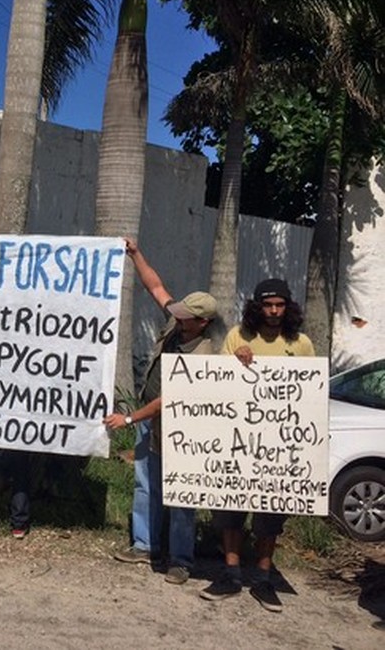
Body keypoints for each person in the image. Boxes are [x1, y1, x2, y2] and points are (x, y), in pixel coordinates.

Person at [104, 239, 217, 585]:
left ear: (203, 322)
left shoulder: (204, 354)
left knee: (181, 494)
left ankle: (181, 560)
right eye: (179, 313)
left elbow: (170, 398)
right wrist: (136, 253)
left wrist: (128, 418)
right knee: (146, 484)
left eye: (186, 317)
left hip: (180, 429)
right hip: (149, 422)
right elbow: (155, 286)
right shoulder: (176, 324)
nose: (178, 318)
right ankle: (145, 545)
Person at [199, 278, 315, 612]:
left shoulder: (302, 343)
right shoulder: (238, 336)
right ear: (257, 307)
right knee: (231, 510)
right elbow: (216, 381)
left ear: (288, 307)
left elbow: (309, 395)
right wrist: (235, 359)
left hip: (279, 449)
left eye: (279, 305)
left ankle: (263, 579)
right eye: (268, 305)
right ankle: (231, 573)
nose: (274, 311)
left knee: (269, 515)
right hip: (237, 442)